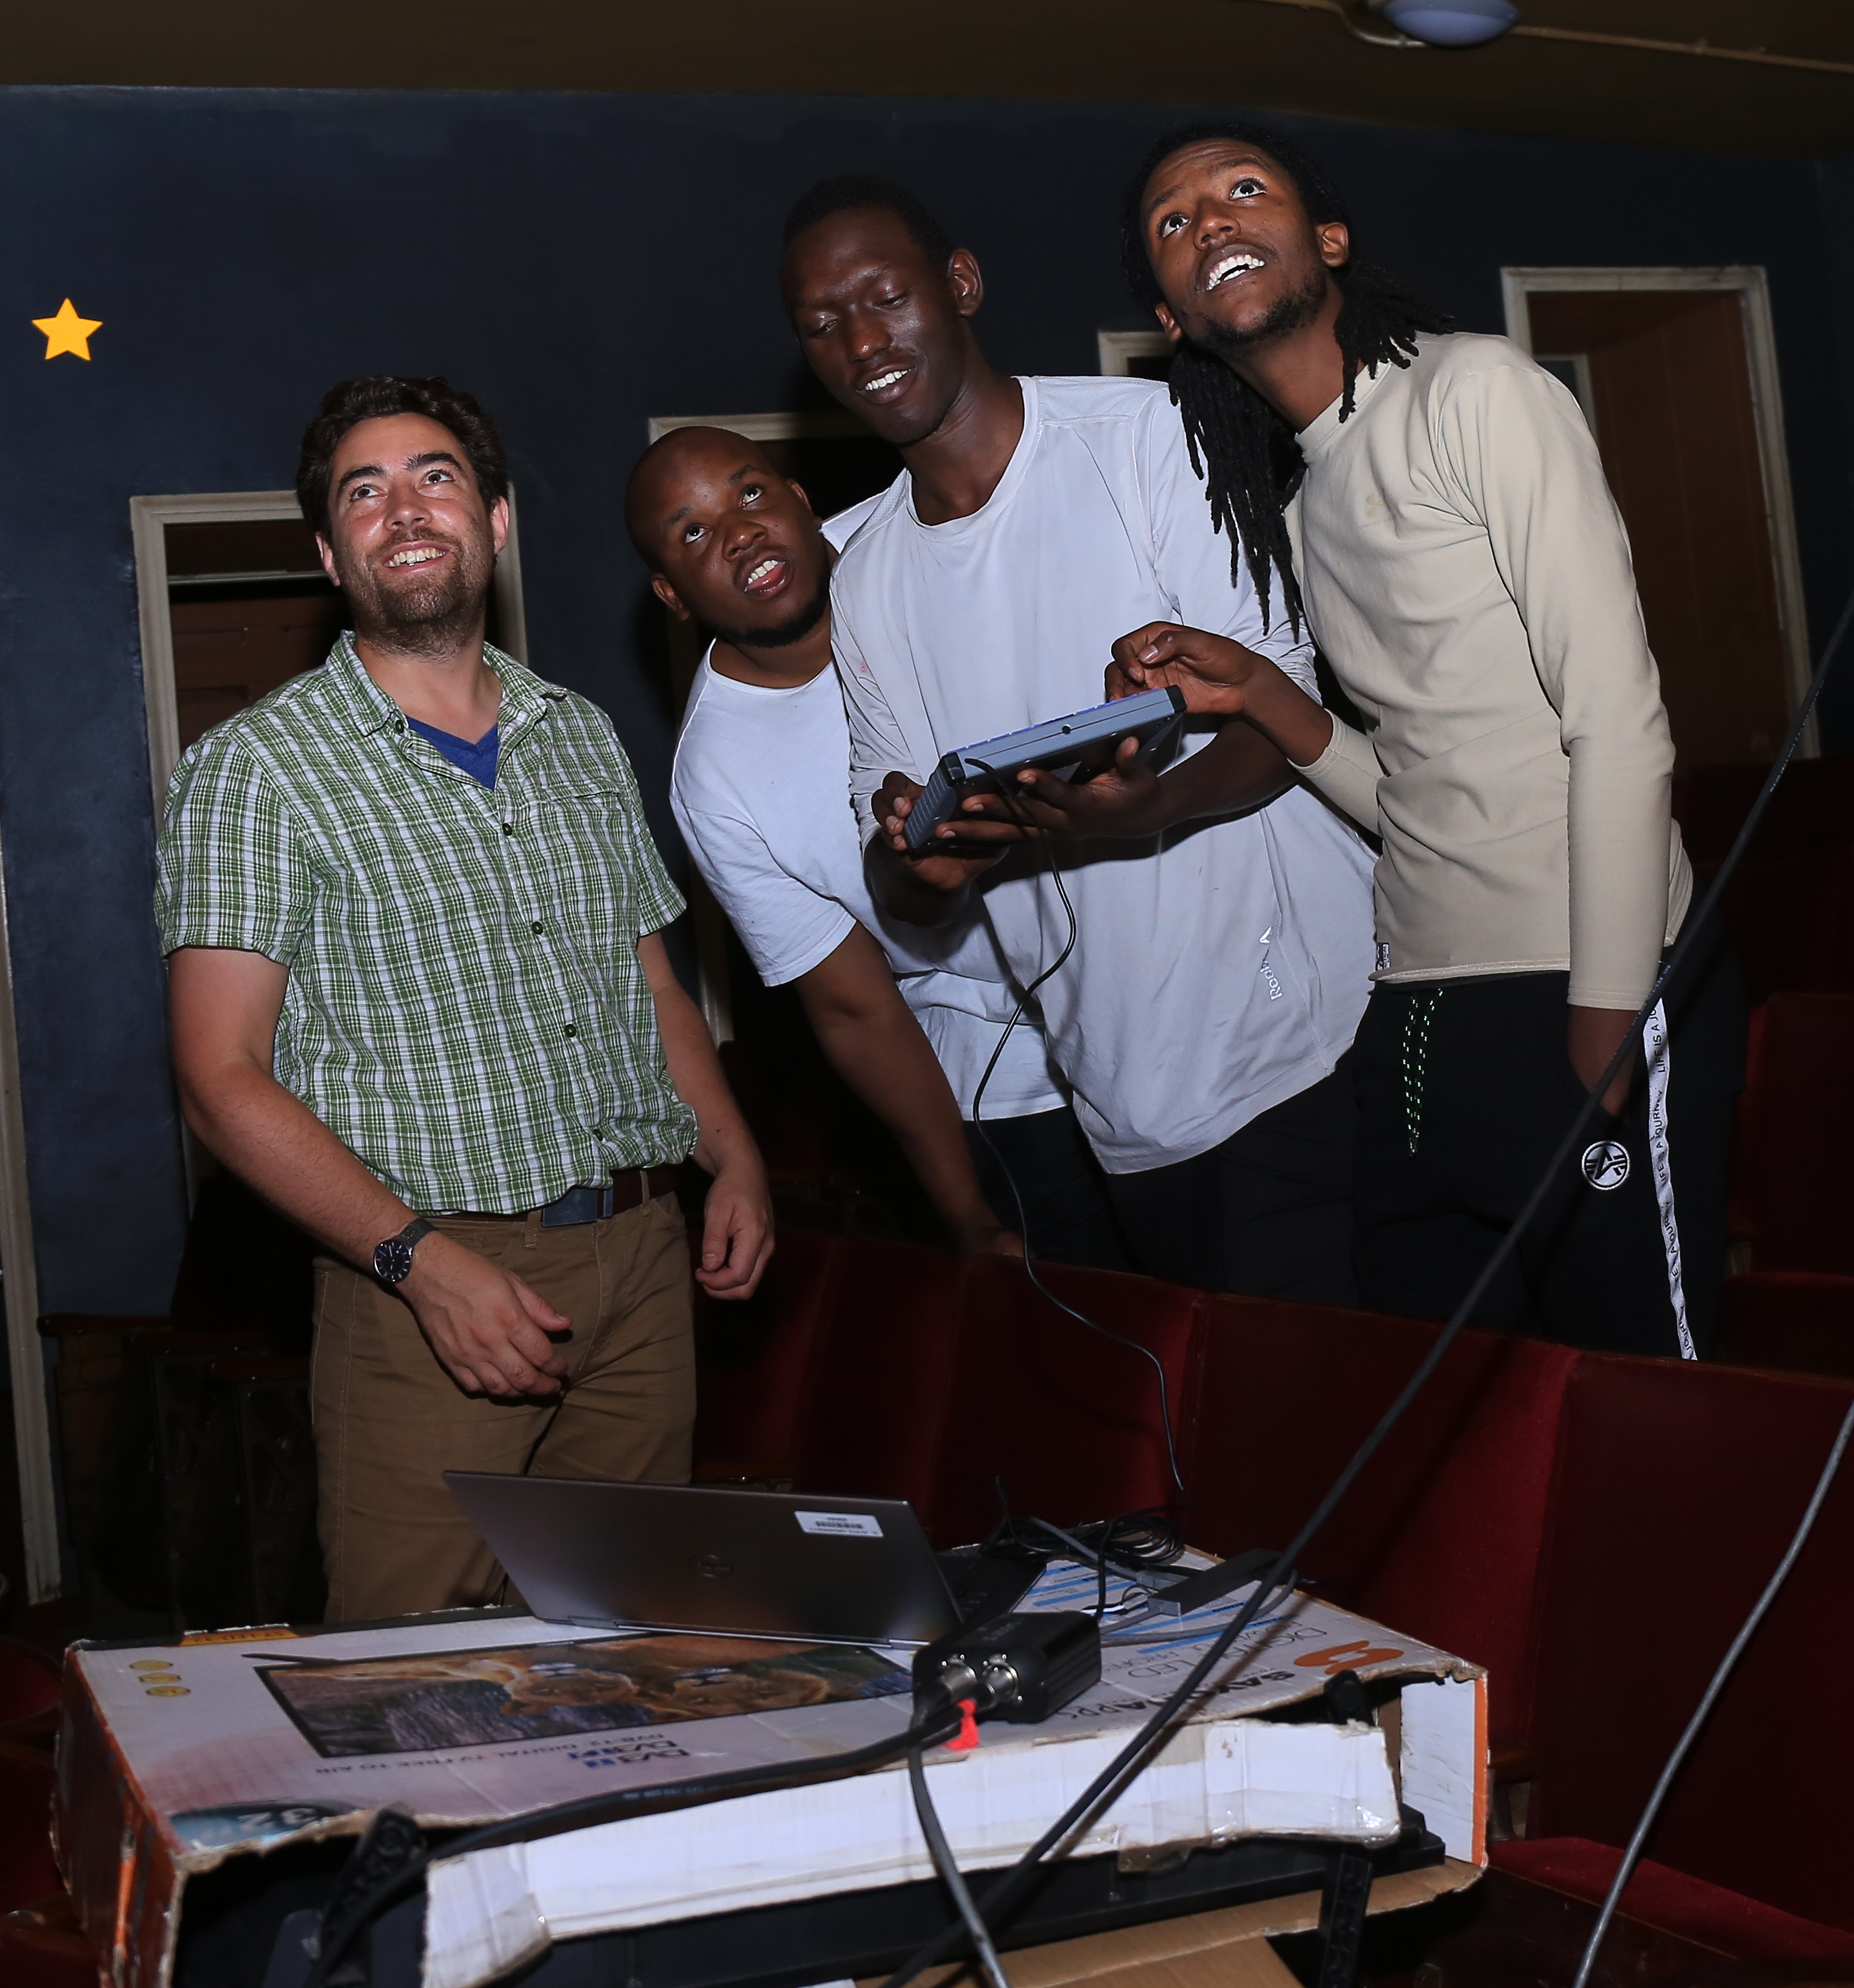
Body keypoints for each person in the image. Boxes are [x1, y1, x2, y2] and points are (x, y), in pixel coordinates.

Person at [1107, 122, 1735, 1358]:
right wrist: (1268, 701)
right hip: (1418, 1008)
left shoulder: (1475, 389)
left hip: (1587, 977)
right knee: (1441, 1407)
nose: (1212, 223)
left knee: (1649, 1402)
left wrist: (1607, 1018)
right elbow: (1423, 800)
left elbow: (1617, 717)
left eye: (1244, 192)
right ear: (1172, 319)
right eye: (1173, 224)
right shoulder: (1301, 497)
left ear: (1328, 239)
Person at [158, 373, 775, 1619]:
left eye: (435, 477)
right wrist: (419, 1262)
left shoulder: (582, 735)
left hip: (644, 1262)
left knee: (638, 1638)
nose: (404, 511)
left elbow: (648, 976)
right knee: (418, 1685)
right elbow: (219, 1083)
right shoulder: (253, 772)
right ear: (330, 553)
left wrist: (737, 1158)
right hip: (427, 1282)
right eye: (364, 493)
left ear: (495, 522)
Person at [785, 173, 1377, 1301]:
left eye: (883, 296)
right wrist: (922, 855)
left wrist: (1149, 806)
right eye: (821, 323)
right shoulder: (863, 582)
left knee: (1344, 1431)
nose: (860, 340)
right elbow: (907, 881)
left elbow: (1280, 712)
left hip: (1305, 1048)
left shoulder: (1145, 435)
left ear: (959, 284)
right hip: (1118, 1097)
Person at [626, 422, 1129, 1267]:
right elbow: (856, 1009)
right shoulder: (716, 778)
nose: (740, 533)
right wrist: (965, 1215)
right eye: (693, 533)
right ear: (672, 595)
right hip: (1009, 1087)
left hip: (1164, 988)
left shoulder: (923, 540)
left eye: (750, 492)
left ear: (801, 502)